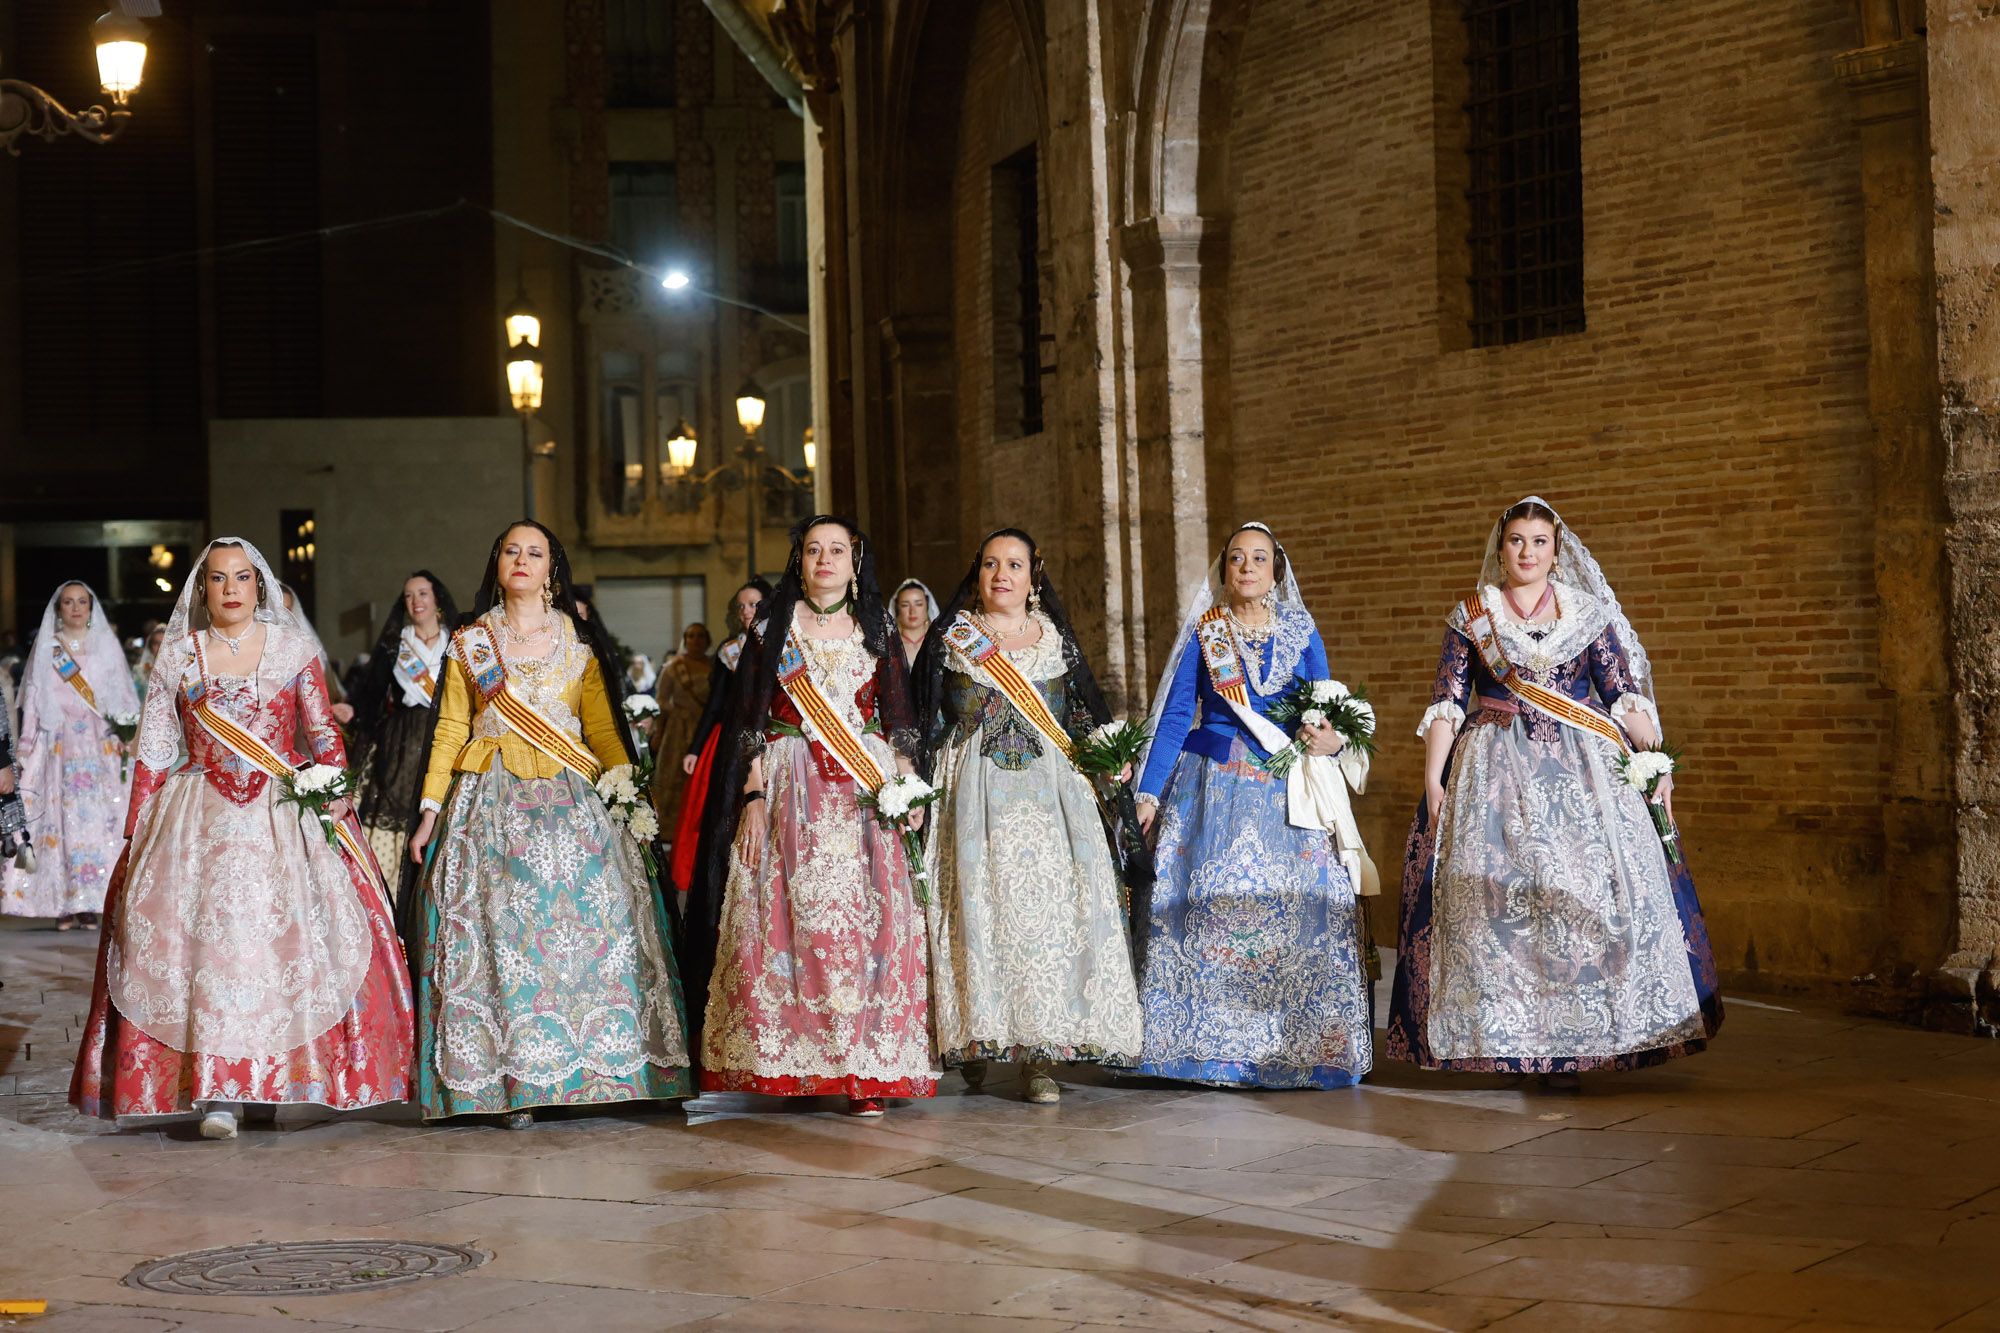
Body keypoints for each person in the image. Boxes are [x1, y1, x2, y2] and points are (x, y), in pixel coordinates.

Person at [69, 539, 412, 1139]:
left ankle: (271, 1085)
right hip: (196, 818)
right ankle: (215, 1093)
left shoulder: (292, 648)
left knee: (281, 950)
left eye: (243, 578)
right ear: (202, 590)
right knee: (204, 954)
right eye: (218, 579)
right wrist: (136, 829)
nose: (231, 589)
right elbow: (153, 747)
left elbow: (321, 733)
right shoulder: (179, 656)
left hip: (279, 814)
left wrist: (335, 796)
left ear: (260, 586)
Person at [1386, 497, 1723, 1083]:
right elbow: (1446, 702)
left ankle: (1584, 1039)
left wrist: (1655, 757)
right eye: (1517, 540)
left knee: (1584, 895)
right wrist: (1433, 781)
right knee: (1498, 903)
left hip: (1582, 776)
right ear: (1501, 547)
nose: (1527, 552)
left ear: (1556, 551)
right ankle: (1506, 1036)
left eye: (1539, 542)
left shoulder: (1588, 615)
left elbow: (1621, 696)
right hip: (1492, 773)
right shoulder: (1474, 615)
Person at [405, 520, 691, 1128]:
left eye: (534, 553)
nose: (521, 560)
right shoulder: (472, 643)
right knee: (504, 932)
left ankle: (613, 1068)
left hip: (574, 802)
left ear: (551, 569)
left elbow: (605, 732)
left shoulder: (577, 643)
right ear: (497, 562)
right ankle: (516, 1080)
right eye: (511, 550)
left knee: (601, 921)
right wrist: (430, 809)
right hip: (492, 800)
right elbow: (453, 729)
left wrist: (628, 796)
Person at [693, 516, 934, 1117]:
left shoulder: (875, 626)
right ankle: (796, 1059)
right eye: (813, 550)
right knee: (789, 920)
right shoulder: (771, 631)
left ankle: (866, 1067)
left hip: (862, 791)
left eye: (837, 550)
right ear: (798, 561)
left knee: (863, 922)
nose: (824, 559)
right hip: (788, 786)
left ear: (855, 563)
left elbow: (898, 717)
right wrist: (750, 800)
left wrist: (905, 791)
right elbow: (748, 722)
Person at [1125, 523, 1374, 1089]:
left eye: (1258, 558)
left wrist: (1333, 740)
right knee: (1209, 908)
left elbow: (1326, 706)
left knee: (1295, 909)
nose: (1246, 567)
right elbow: (1173, 718)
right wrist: (1147, 790)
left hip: (1286, 786)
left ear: (1276, 571)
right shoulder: (1205, 633)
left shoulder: (1302, 631)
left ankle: (1299, 1046)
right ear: (1224, 570)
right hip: (1213, 787)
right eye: (1236, 558)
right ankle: (1205, 1048)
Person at [914, 530, 1147, 1103]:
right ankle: (972, 1039)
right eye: (991, 564)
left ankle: (1039, 1056)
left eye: (1014, 565)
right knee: (979, 913)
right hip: (972, 799)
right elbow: (922, 721)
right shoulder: (952, 638)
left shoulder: (1053, 640)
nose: (1002, 575)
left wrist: (1109, 763)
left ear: (1033, 575)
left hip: (1051, 800)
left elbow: (1083, 712)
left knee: (1045, 920)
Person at [4, 583, 139, 929]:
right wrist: (26, 745)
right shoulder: (49, 649)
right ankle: (64, 901)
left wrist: (128, 735)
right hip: (58, 745)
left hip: (100, 746)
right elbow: (33, 699)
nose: (76, 608)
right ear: (58, 608)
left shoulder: (106, 646)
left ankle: (92, 902)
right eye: (69, 602)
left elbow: (123, 694)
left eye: (82, 602)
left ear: (92, 607)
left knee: (97, 821)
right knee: (59, 822)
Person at [347, 572, 458, 878]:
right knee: (395, 808)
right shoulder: (397, 644)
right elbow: (372, 692)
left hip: (445, 733)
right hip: (402, 740)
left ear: (437, 599)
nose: (415, 601)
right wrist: (353, 709)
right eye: (409, 595)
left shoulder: (456, 640)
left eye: (422, 593)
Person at [668, 581, 768, 901]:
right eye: (741, 606)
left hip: (775, 739)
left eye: (753, 604)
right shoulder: (731, 650)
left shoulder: (788, 642)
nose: (746, 612)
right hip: (730, 738)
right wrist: (695, 748)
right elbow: (715, 703)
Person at [647, 621, 713, 834]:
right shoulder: (674, 667)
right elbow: (661, 700)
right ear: (685, 640)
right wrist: (671, 716)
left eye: (700, 636)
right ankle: (669, 828)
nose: (696, 640)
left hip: (705, 727)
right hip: (677, 728)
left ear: (708, 641)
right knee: (673, 775)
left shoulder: (714, 666)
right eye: (691, 636)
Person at [893, 579, 937, 671]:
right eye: (905, 605)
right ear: (897, 609)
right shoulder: (891, 645)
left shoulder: (938, 642)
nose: (912, 611)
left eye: (919, 604)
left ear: (927, 607)